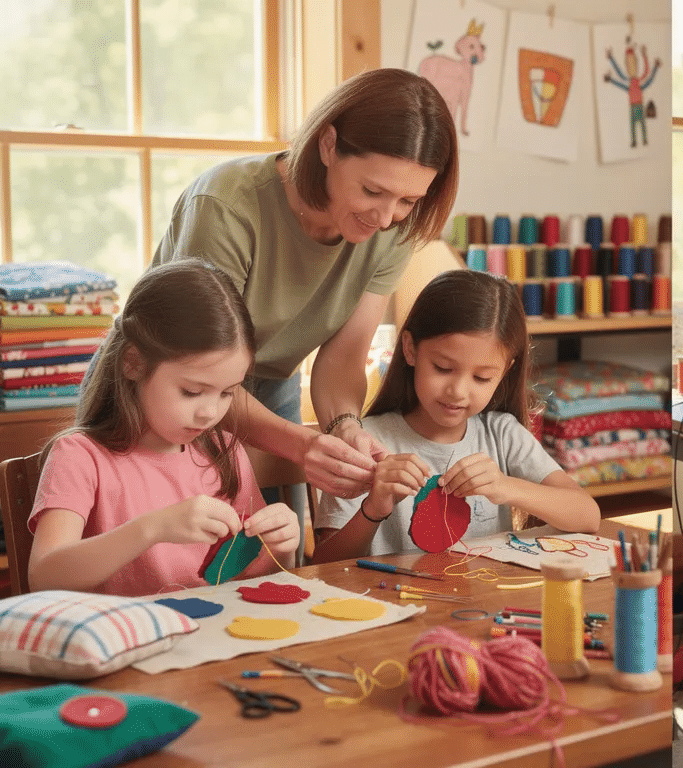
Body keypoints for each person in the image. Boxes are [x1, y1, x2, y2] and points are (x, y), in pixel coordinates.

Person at [152, 68, 459, 502]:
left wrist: (344, 426)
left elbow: (345, 357)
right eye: (372, 190)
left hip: (271, 387)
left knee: (278, 555)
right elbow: (199, 371)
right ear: (328, 145)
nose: (386, 216)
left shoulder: (390, 232)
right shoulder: (226, 206)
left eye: (408, 201)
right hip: (167, 392)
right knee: (175, 560)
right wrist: (302, 444)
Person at [27, 260, 301, 597]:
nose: (210, 413)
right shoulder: (80, 456)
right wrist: (153, 528)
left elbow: (247, 581)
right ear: (133, 362)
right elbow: (44, 575)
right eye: (191, 392)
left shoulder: (224, 452)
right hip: (120, 643)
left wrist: (281, 546)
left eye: (227, 393)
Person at [311, 270, 600, 561]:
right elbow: (324, 565)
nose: (458, 391)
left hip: (481, 604)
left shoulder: (502, 434)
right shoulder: (365, 444)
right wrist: (372, 510)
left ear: (505, 372)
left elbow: (587, 515)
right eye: (443, 368)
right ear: (410, 349)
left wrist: (505, 486)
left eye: (482, 378)